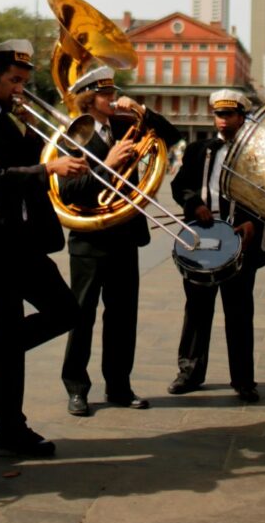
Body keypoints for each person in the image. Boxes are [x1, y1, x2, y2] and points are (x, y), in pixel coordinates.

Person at [0, 39, 86, 457]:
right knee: (17, 329)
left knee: (61, 313)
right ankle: (9, 425)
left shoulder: (7, 115)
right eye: (13, 81)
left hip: (22, 241)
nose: (20, 89)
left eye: (24, 81)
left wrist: (40, 137)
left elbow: (33, 160)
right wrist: (47, 166)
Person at [60, 67, 181, 416]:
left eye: (113, 91)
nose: (112, 98)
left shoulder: (126, 125)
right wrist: (106, 165)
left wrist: (142, 110)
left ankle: (119, 385)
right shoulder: (74, 136)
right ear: (88, 98)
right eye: (104, 94)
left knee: (123, 316)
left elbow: (169, 136)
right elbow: (68, 191)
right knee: (81, 317)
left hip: (125, 235)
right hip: (89, 239)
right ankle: (76, 388)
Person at [167, 89, 263, 402]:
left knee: (239, 311)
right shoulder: (198, 150)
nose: (222, 122)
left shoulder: (257, 154)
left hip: (239, 236)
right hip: (204, 234)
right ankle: (190, 371)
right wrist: (194, 204)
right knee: (196, 307)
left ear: (242, 117)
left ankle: (243, 379)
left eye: (229, 116)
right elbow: (179, 186)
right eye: (218, 115)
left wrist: (254, 224)